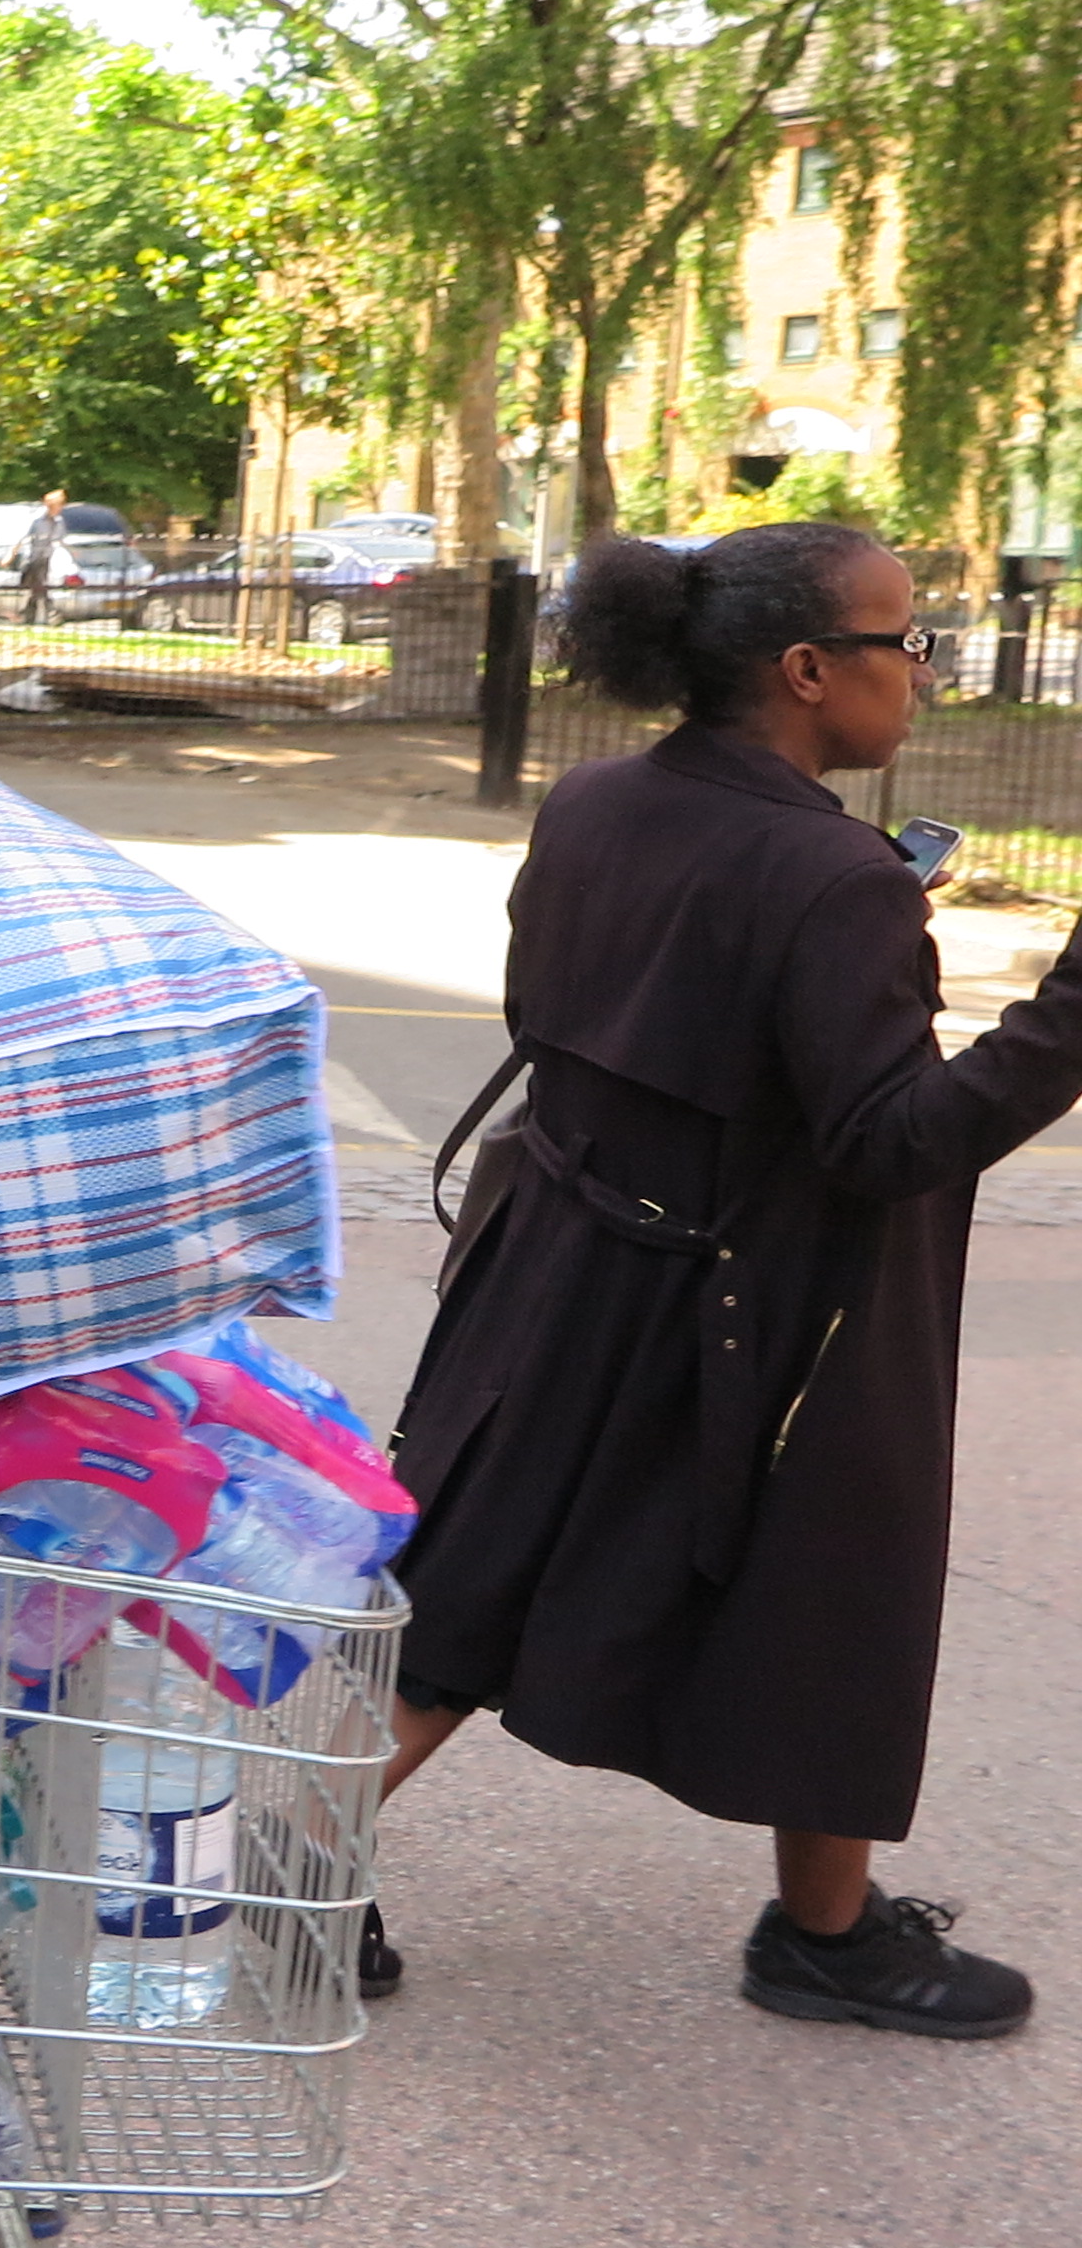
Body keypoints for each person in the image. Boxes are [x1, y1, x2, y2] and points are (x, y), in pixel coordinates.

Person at [376, 523, 1082, 2036]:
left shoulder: (596, 802)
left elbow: (553, 1006)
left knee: (471, 1582)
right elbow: (891, 1140)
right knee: (834, 1579)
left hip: (560, 1256)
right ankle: (818, 1937)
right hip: (751, 1311)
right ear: (812, 671)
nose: (926, 675)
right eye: (907, 643)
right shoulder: (835, 877)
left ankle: (822, 1924)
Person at [23, 485, 66, 625]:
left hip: (50, 559)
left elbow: (59, 539)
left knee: (40, 589)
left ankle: (33, 616)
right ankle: (49, 615)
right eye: (58, 504)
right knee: (40, 587)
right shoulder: (38, 521)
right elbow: (27, 538)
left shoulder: (59, 522)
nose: (60, 508)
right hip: (36, 559)